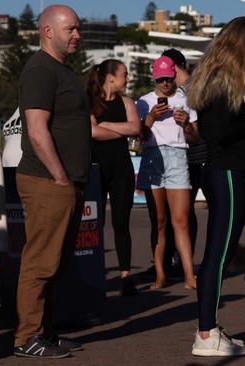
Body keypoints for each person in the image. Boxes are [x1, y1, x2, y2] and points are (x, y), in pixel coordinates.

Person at [187, 16, 245, 356]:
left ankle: (209, 329)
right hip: (225, 171)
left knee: (218, 254)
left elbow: (219, 128)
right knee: (219, 255)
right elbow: (220, 131)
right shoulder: (223, 77)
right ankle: (206, 334)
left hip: (227, 170)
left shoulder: (218, 75)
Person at [14, 4, 89, 358]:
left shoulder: (60, 70)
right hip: (48, 181)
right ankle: (26, 338)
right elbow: (36, 129)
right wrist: (59, 177)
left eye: (77, 29)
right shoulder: (41, 71)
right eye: (70, 29)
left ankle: (46, 332)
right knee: (40, 261)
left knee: (55, 262)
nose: (77, 35)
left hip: (65, 181)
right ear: (47, 31)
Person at [136, 56, 198, 290]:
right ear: (154, 78)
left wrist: (186, 125)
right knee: (159, 222)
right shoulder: (143, 102)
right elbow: (139, 137)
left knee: (180, 221)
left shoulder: (185, 100)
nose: (164, 83)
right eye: (160, 79)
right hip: (152, 157)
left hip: (178, 157)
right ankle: (160, 273)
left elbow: (194, 138)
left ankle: (189, 275)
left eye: (168, 79)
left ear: (174, 77)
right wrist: (150, 117)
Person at [87, 59, 141, 296]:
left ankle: (126, 276)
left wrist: (107, 124)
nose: (127, 79)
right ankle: (94, 272)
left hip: (122, 170)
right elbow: (92, 132)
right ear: (111, 77)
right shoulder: (89, 102)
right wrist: (119, 129)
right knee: (94, 225)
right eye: (124, 74)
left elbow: (136, 129)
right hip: (96, 168)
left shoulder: (127, 102)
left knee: (121, 223)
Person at [159, 48, 202, 278]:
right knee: (183, 213)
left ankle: (180, 262)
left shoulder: (190, 90)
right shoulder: (195, 85)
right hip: (192, 155)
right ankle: (176, 261)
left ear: (174, 67)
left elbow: (196, 125)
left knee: (184, 213)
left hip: (194, 155)